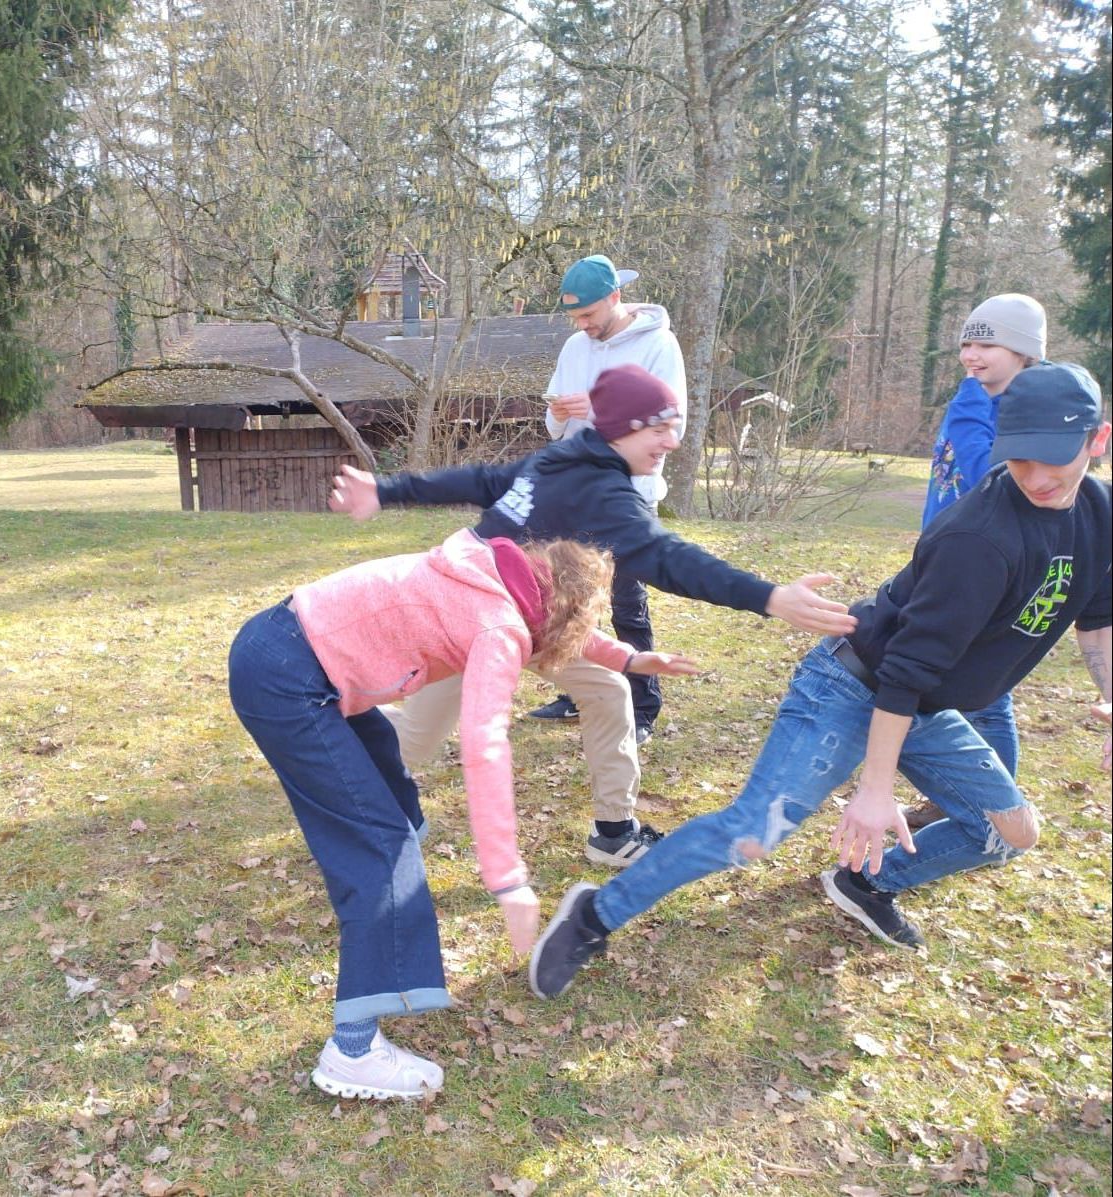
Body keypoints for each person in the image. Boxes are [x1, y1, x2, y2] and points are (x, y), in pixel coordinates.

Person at [529, 361, 1111, 1000]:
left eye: (1053, 459)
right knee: (752, 834)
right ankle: (593, 915)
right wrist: (874, 789)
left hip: (927, 707)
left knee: (1010, 832)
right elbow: (904, 671)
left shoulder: (1099, 515)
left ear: (1098, 440)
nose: (1036, 477)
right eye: (1020, 459)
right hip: (853, 687)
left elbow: (1098, 620)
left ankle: (867, 882)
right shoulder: (979, 537)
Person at [228, 530, 698, 1100]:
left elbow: (553, 619)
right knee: (381, 852)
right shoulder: (499, 629)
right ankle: (351, 1052)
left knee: (392, 798)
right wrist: (508, 880)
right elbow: (485, 749)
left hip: (283, 647)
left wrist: (628, 657)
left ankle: (390, 915)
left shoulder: (499, 572)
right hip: (290, 683)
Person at [329, 364, 856, 870]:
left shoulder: (565, 462)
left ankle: (614, 832)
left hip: (533, 617)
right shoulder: (595, 489)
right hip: (474, 621)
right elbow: (667, 558)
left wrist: (386, 490)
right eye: (660, 428)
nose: (672, 441)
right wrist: (768, 597)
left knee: (608, 691)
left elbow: (483, 480)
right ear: (624, 427)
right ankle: (331, 734)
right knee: (415, 742)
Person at [531, 253, 689, 744]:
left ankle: (642, 708)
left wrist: (599, 410)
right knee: (572, 598)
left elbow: (670, 424)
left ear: (615, 297)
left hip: (627, 494)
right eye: (575, 317)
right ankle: (579, 692)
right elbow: (554, 425)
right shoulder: (575, 347)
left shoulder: (658, 345)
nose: (582, 325)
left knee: (625, 601)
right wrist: (559, 413)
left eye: (589, 314)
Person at [915, 293, 1047, 800]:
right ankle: (972, 801)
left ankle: (996, 809)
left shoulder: (1022, 408)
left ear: (1023, 352)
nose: (971, 355)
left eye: (986, 345)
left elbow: (981, 476)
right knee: (956, 688)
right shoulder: (978, 399)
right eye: (966, 344)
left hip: (993, 567)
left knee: (987, 696)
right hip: (951, 558)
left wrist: (968, 400)